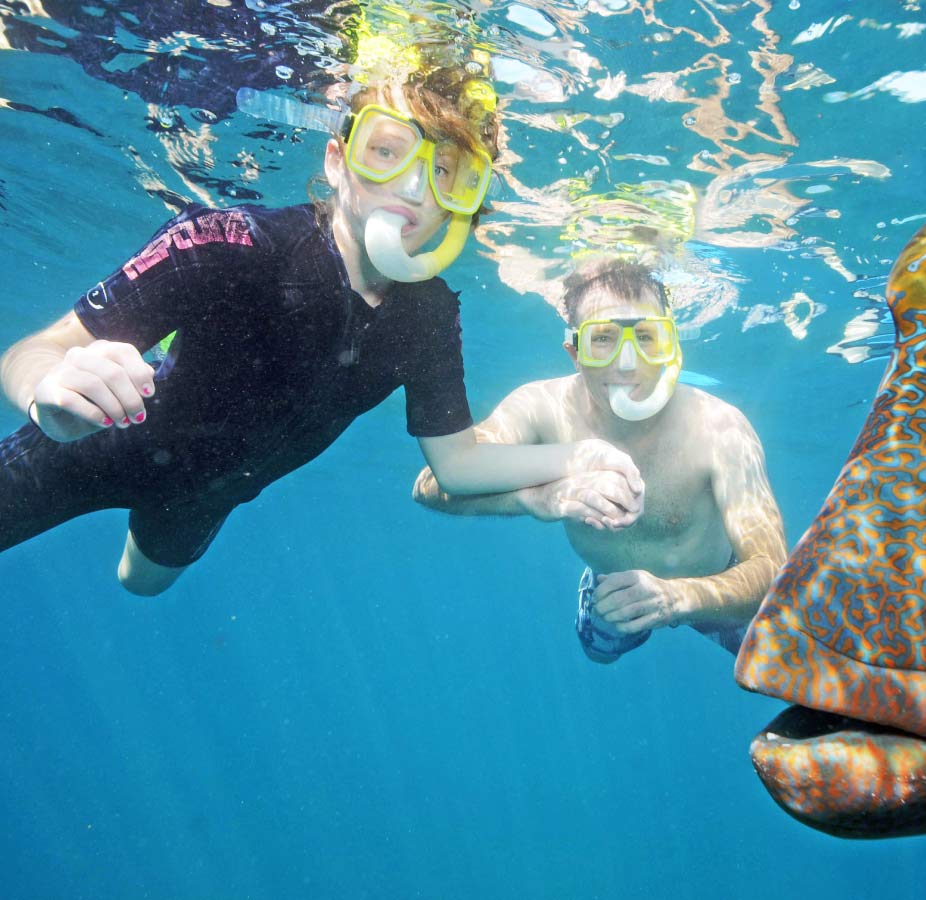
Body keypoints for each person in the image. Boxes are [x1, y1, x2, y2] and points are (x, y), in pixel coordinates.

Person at [0, 56, 641, 596]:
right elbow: (38, 350)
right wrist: (49, 391)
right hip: (89, 447)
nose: (414, 188)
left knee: (140, 584)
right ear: (337, 161)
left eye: (444, 170)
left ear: (464, 197)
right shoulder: (228, 243)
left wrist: (575, 461)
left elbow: (458, 462)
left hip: (206, 496)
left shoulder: (428, 315)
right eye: (386, 152)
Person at [413, 257, 786, 662]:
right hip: (613, 591)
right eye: (603, 338)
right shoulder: (540, 408)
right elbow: (430, 484)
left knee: (782, 670)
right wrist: (537, 496)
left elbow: (772, 568)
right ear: (575, 353)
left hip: (719, 588)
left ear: (670, 346)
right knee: (599, 654)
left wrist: (678, 597)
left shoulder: (720, 429)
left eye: (646, 336)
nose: (627, 363)